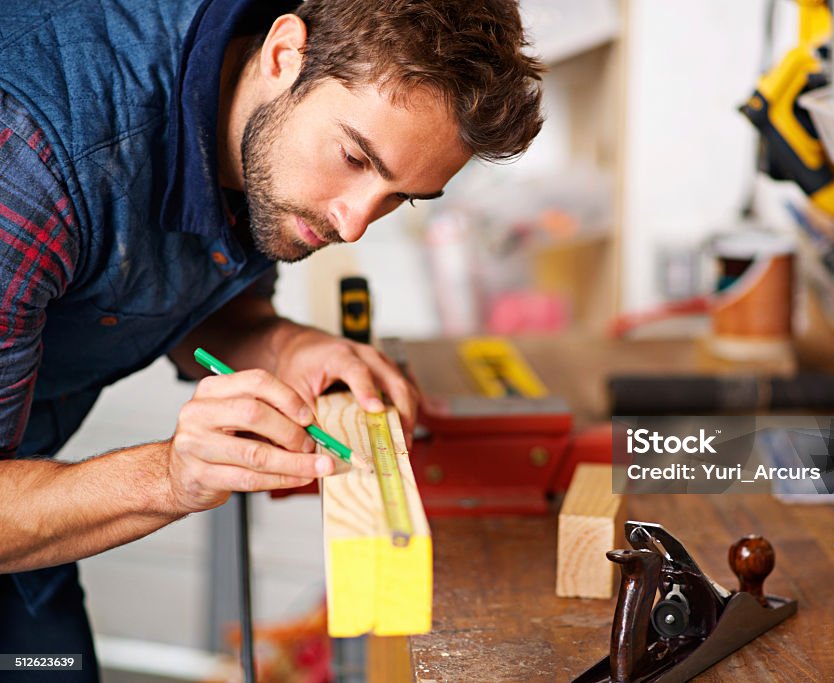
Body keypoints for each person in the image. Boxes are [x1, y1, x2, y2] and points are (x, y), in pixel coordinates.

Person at [0, 0, 543, 678]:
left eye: (399, 197)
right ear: (285, 54)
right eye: (354, 157)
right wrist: (171, 475)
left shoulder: (258, 114)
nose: (352, 225)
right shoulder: (30, 159)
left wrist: (284, 345)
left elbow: (165, 289)